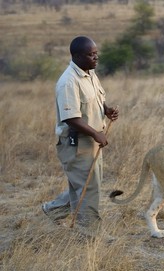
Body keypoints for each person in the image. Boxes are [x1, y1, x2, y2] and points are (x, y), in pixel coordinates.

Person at [42, 36, 119, 236]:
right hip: (77, 143)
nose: (96, 57)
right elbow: (71, 118)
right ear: (76, 56)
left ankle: (52, 210)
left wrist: (106, 110)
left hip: (92, 140)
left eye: (96, 53)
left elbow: (94, 100)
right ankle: (90, 233)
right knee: (89, 187)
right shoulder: (68, 82)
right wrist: (95, 133)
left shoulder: (90, 73)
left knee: (85, 184)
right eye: (90, 54)